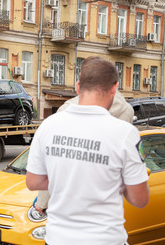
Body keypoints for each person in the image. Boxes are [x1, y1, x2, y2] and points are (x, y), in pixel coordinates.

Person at [26, 56, 149, 245]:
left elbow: (33, 181)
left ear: (78, 86)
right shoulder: (126, 132)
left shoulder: (49, 124)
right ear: (114, 88)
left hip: (58, 239)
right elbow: (140, 199)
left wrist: (65, 182)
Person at [34, 72, 134, 214]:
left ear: (80, 85)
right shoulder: (127, 110)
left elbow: (54, 163)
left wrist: (42, 202)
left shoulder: (67, 111)